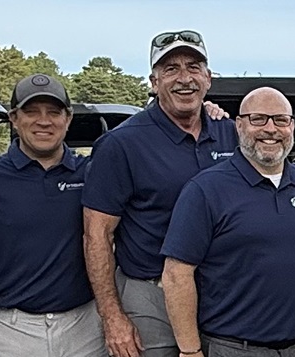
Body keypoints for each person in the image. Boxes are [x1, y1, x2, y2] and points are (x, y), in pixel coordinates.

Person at [82, 29, 239, 357]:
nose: (185, 78)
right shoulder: (121, 144)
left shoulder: (232, 135)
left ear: (208, 79)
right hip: (152, 298)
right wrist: (112, 318)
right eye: (171, 69)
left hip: (224, 295)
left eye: (194, 67)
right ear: (154, 82)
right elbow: (97, 235)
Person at [160, 87, 295, 357]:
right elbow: (176, 274)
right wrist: (190, 350)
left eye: (280, 120)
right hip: (233, 348)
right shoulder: (205, 189)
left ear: (292, 127)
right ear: (239, 125)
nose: (270, 129)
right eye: (258, 119)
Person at [0, 74, 104, 356]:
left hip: (84, 327)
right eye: (31, 112)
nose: (44, 121)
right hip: (9, 331)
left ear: (68, 119)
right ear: (14, 119)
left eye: (54, 112)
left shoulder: (92, 173)